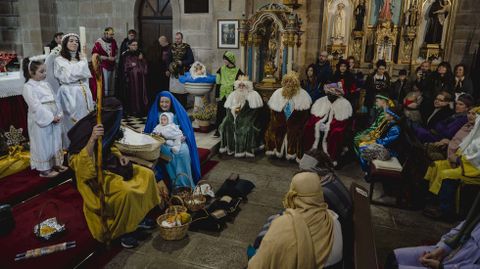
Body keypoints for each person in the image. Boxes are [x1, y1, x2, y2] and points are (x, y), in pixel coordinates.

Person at [68, 98, 160, 249]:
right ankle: (125, 232)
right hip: (93, 174)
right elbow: (76, 163)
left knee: (147, 174)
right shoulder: (86, 128)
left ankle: (137, 219)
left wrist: (120, 156)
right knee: (126, 192)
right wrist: (92, 139)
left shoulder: (107, 123)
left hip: (109, 163)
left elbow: (108, 145)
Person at [248, 172, 343, 269]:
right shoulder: (333, 219)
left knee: (251, 251)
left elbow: (258, 264)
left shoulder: (282, 225)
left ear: (293, 194)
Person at [385, 194, 480, 269]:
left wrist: (442, 267)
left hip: (460, 264)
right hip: (453, 251)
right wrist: (441, 250)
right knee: (393, 258)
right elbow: (462, 228)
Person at [422, 107, 480, 220]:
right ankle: (433, 199)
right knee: (436, 165)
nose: (473, 117)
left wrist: (458, 161)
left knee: (447, 174)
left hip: (472, 170)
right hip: (462, 162)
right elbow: (464, 147)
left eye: (475, 115)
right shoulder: (474, 131)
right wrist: (456, 157)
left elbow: (476, 159)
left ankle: (446, 211)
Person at [22, 56, 67, 178]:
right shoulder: (28, 87)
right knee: (44, 143)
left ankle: (56, 163)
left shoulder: (45, 84)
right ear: (31, 73)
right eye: (41, 72)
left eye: (45, 71)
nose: (45, 74)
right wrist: (51, 117)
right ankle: (45, 169)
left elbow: (55, 98)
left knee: (55, 141)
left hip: (54, 117)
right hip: (42, 120)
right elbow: (35, 106)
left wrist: (58, 113)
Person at [144, 91, 201, 188]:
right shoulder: (155, 114)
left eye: (167, 102)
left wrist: (183, 136)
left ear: (171, 102)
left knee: (184, 151)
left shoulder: (177, 113)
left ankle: (187, 183)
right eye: (162, 102)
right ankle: (176, 184)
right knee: (168, 154)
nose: (164, 104)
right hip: (162, 143)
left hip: (177, 140)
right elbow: (150, 132)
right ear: (158, 102)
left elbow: (185, 129)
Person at [54, 33, 94, 147]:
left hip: (83, 91)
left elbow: (85, 75)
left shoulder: (80, 58)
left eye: (76, 41)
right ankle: (72, 146)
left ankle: (86, 145)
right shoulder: (60, 60)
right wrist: (82, 63)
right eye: (71, 41)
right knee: (72, 120)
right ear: (65, 43)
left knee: (86, 118)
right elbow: (69, 75)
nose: (74, 43)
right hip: (69, 93)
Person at [264, 72, 312, 162]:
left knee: (295, 132)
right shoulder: (278, 93)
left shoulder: (303, 95)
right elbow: (273, 113)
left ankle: (291, 154)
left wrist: (294, 123)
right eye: (287, 82)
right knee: (274, 130)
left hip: (296, 123)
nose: (289, 84)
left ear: (296, 84)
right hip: (280, 121)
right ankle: (277, 152)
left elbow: (304, 116)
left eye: (291, 82)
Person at [304, 82, 353, 167]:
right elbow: (315, 116)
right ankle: (311, 154)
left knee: (336, 133)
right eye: (329, 93)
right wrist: (319, 124)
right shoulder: (321, 101)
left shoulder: (344, 104)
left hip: (335, 126)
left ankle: (331, 158)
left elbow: (342, 122)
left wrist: (329, 126)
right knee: (309, 126)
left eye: (332, 94)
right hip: (321, 124)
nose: (330, 95)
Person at [219, 76, 263, 157]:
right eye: (240, 85)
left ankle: (245, 150)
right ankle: (231, 148)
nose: (241, 87)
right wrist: (233, 111)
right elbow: (228, 109)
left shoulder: (253, 95)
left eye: (243, 86)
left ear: (248, 86)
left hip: (248, 118)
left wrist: (242, 116)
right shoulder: (233, 94)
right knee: (225, 124)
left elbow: (254, 112)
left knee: (246, 128)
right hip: (233, 116)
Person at [358, 106, 403, 173]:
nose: (385, 114)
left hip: (388, 151)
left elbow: (386, 142)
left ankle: (367, 171)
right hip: (383, 146)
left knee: (363, 150)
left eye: (387, 113)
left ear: (392, 116)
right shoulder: (389, 123)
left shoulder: (395, 129)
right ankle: (367, 169)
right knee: (362, 145)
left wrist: (375, 141)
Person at [214, 51, 244, 137]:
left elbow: (242, 82)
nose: (224, 60)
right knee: (220, 113)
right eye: (224, 59)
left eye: (225, 59)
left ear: (230, 60)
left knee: (231, 113)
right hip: (222, 94)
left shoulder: (238, 71)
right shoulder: (221, 69)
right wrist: (216, 95)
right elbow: (218, 83)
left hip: (232, 95)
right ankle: (218, 130)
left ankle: (230, 131)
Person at [167, 32, 194, 107]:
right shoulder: (171, 47)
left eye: (178, 39)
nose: (177, 40)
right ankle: (174, 107)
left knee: (182, 93)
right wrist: (168, 69)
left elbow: (191, 59)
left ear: (182, 39)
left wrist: (182, 62)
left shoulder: (187, 47)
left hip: (183, 72)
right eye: (176, 38)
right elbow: (168, 59)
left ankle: (183, 108)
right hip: (173, 72)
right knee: (173, 92)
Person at [123, 39, 148, 116]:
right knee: (133, 94)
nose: (135, 46)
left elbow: (145, 65)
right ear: (129, 46)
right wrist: (131, 65)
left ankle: (141, 109)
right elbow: (124, 66)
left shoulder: (140, 54)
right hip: (131, 79)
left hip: (141, 78)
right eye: (133, 45)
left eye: (136, 45)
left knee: (141, 93)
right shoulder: (126, 54)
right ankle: (133, 110)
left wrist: (142, 60)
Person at [92, 27, 118, 96]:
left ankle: (111, 96)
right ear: (105, 34)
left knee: (111, 82)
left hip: (112, 64)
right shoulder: (99, 42)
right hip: (103, 65)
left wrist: (115, 57)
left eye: (113, 34)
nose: (112, 36)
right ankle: (105, 96)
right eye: (110, 34)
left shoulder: (113, 41)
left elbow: (116, 51)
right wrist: (106, 58)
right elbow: (95, 54)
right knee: (105, 82)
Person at [115, 29, 137, 105]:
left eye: (133, 35)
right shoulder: (124, 43)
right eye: (131, 35)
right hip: (125, 70)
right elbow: (123, 55)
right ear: (128, 35)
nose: (132, 37)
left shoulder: (136, 44)